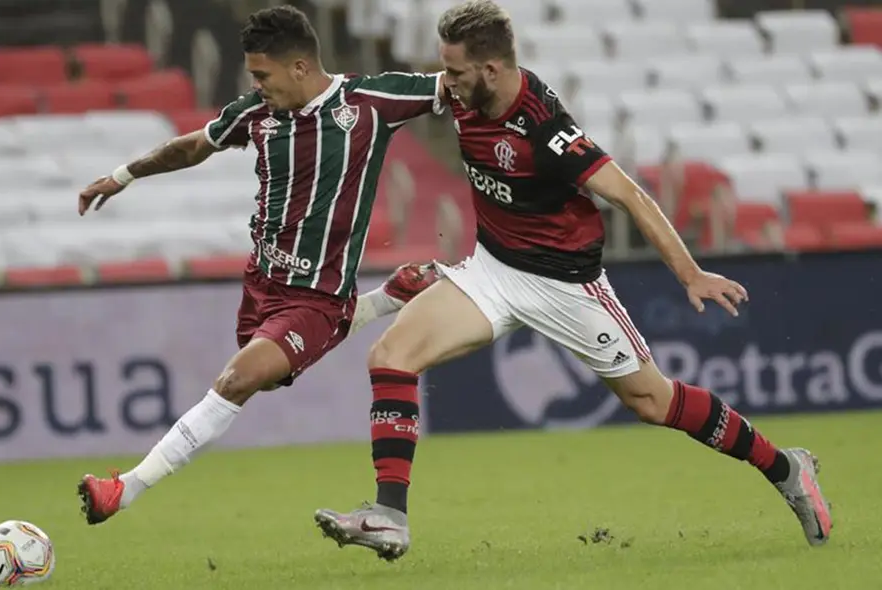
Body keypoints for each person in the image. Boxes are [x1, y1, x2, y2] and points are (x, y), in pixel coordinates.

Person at [312, 0, 832, 561]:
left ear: (490, 70)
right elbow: (385, 93)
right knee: (390, 356)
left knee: (653, 403)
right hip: (493, 269)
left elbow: (628, 194)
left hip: (565, 286)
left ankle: (786, 468)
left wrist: (690, 272)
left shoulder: (545, 130)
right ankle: (389, 516)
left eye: (457, 72)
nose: (447, 83)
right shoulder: (462, 92)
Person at [75, 4, 448, 525]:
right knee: (265, 378)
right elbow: (193, 147)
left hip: (317, 298)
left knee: (237, 381)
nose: (256, 84)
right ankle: (382, 300)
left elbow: (455, 85)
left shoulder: (368, 101)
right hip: (262, 283)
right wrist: (122, 175)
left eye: (261, 74)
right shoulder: (257, 112)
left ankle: (125, 488)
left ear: (299, 67)